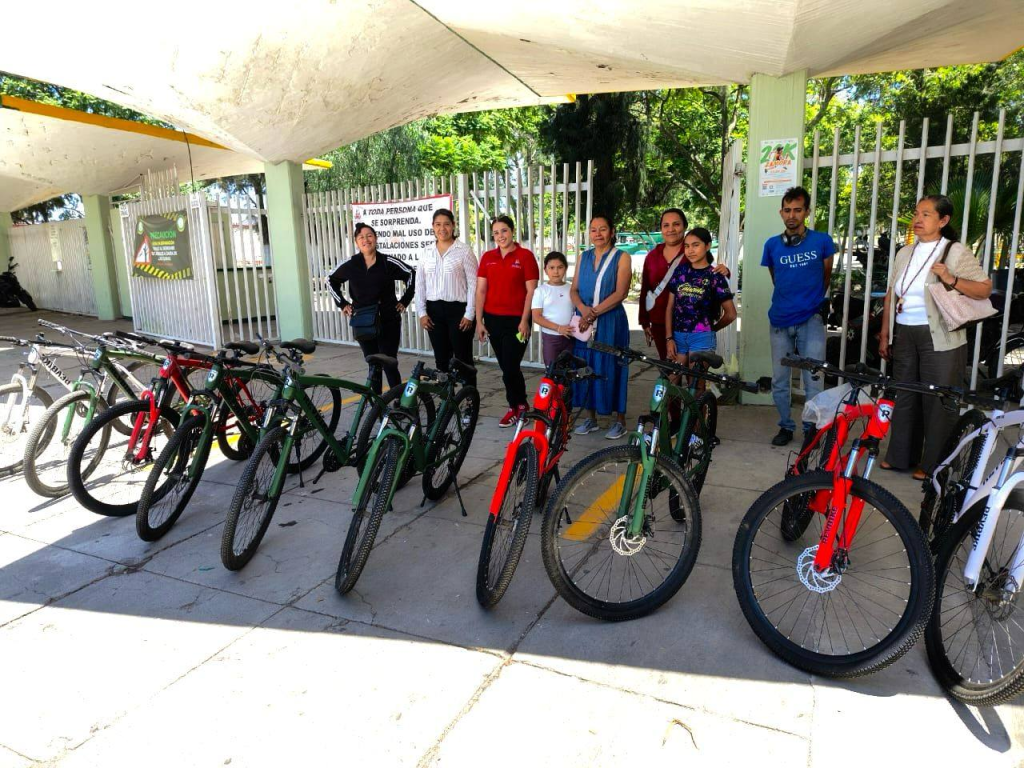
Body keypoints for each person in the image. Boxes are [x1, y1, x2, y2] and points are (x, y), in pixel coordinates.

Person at [879, 195, 992, 479]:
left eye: (926, 214)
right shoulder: (904, 252)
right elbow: (892, 294)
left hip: (940, 336)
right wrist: (885, 334)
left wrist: (951, 279)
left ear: (943, 220)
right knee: (905, 395)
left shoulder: (954, 252)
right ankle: (900, 456)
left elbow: (984, 290)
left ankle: (935, 464)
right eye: (917, 213)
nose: (918, 219)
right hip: (905, 332)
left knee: (939, 400)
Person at [761, 186, 835, 447]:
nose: (792, 215)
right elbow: (776, 277)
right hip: (780, 321)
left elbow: (826, 275)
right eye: (787, 210)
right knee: (780, 380)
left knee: (813, 380)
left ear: (807, 212)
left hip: (810, 320)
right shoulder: (771, 245)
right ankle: (786, 425)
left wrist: (813, 303)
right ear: (781, 212)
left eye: (798, 210)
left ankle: (811, 429)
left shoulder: (823, 241)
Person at [328, 222, 414, 394]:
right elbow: (331, 281)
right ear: (356, 242)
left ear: (375, 239)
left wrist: (404, 301)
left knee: (389, 362)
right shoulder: (351, 264)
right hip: (363, 321)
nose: (365, 240)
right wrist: (343, 303)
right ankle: (377, 402)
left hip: (388, 320)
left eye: (369, 236)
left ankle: (398, 401)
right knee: (373, 364)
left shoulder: (387, 262)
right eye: (361, 237)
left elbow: (412, 274)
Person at [572, 215, 632, 439]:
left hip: (610, 320)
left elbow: (620, 293)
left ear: (612, 231)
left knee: (612, 365)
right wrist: (582, 310)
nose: (598, 234)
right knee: (585, 366)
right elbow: (574, 289)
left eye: (603, 229)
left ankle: (619, 420)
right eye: (593, 230)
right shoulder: (583, 257)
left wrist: (593, 312)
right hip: (584, 320)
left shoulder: (622, 257)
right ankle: (591, 418)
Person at [476, 215, 539, 427]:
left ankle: (516, 406)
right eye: (496, 232)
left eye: (504, 231)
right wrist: (479, 321)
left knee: (511, 366)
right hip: (493, 320)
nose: (500, 236)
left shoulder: (525, 256)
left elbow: (531, 291)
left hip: (517, 321)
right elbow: (481, 290)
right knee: (507, 367)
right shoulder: (487, 257)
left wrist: (525, 320)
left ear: (512, 231)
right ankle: (520, 405)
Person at [415, 208, 478, 385]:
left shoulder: (464, 251)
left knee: (463, 359)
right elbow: (419, 284)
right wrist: (422, 312)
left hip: (459, 312)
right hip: (434, 311)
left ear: (453, 226)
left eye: (446, 224)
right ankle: (446, 401)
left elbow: (474, 284)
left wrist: (469, 314)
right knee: (441, 360)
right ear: (433, 227)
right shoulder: (426, 252)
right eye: (438, 224)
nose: (442, 228)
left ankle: (470, 401)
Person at [664, 227, 737, 371]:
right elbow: (669, 308)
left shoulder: (715, 276)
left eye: (696, 245)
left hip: (701, 338)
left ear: (708, 246)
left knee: (695, 385)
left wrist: (712, 329)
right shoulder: (680, 271)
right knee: (669, 380)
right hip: (678, 336)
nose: (690, 250)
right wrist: (669, 338)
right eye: (687, 246)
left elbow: (731, 314)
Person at [531, 251, 576, 366]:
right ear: (545, 270)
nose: (556, 271)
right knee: (552, 372)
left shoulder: (571, 289)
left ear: (565, 269)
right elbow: (536, 317)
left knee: (569, 372)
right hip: (551, 339)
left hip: (570, 337)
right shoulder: (541, 291)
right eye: (551, 268)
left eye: (560, 267)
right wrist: (558, 328)